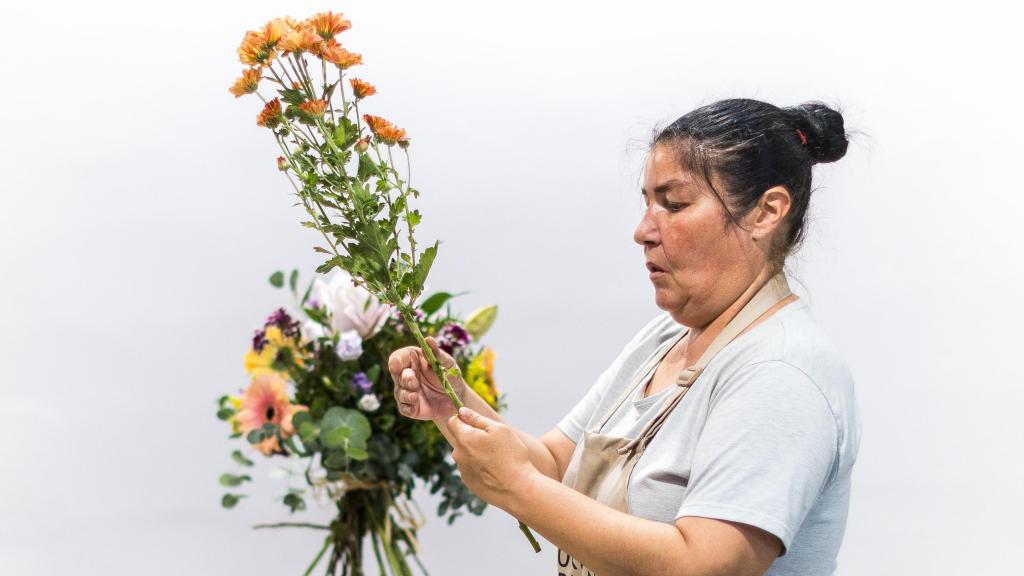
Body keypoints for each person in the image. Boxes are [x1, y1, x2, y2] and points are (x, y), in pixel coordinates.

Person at [388, 98, 862, 576]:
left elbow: (708, 564)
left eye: (674, 204)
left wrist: (516, 487)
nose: (643, 231)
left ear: (766, 212)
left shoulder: (781, 371)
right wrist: (454, 405)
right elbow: (553, 465)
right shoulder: (665, 338)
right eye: (648, 203)